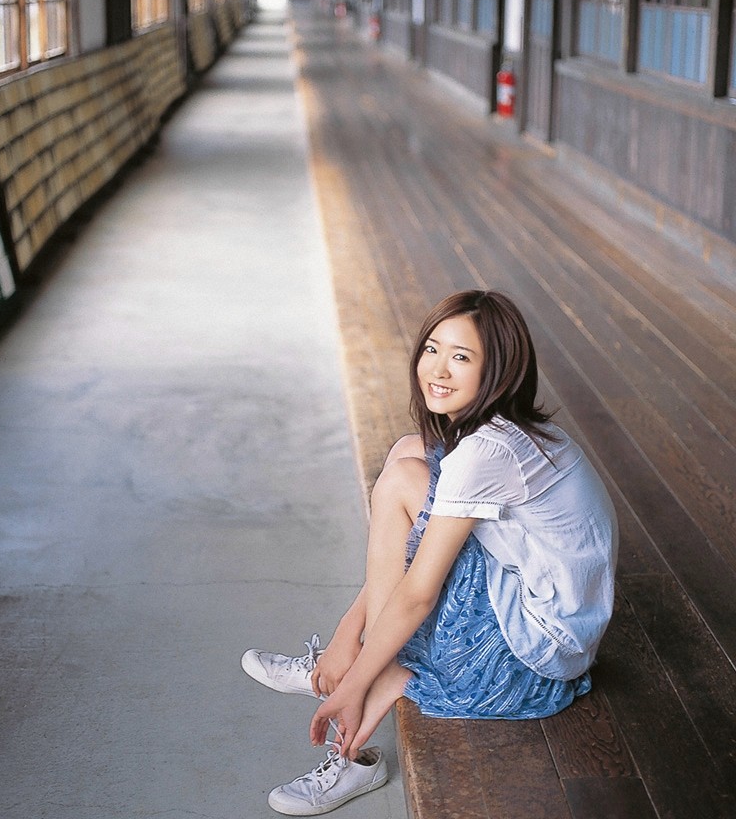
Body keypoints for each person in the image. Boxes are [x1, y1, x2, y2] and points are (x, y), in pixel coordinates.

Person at [242, 289, 619, 816]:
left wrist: (357, 679)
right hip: (549, 617)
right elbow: (413, 553)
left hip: (527, 660)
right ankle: (352, 661)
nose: (438, 370)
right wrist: (347, 634)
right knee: (408, 452)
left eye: (461, 357)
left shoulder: (486, 452)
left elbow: (418, 591)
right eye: (432, 349)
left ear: (498, 370)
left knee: (402, 483)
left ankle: (359, 726)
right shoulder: (505, 431)